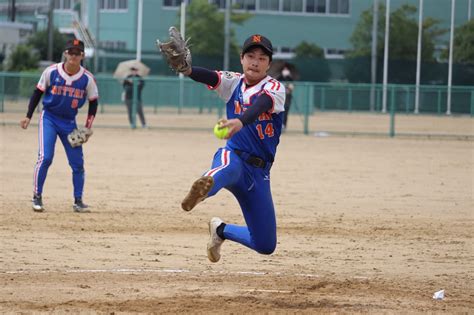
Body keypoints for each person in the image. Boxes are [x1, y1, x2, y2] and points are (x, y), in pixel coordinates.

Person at [178, 34, 286, 262]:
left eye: (261, 57)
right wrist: (187, 69)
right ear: (242, 59)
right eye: (250, 56)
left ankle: (220, 230)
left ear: (269, 63)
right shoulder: (233, 81)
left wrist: (241, 121)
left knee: (265, 244)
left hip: (259, 173)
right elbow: (209, 76)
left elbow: (261, 104)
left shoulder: (275, 88)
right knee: (226, 170)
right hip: (234, 156)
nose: (255, 62)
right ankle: (203, 189)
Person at [20, 39, 99, 213]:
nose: (73, 55)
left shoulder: (87, 79)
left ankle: (78, 201)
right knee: (46, 157)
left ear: (82, 56)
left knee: (77, 163)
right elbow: (37, 93)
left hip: (70, 123)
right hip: (49, 118)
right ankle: (37, 196)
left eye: (77, 53)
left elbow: (93, 102)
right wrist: (28, 116)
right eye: (70, 52)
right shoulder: (52, 72)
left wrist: (87, 126)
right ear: (65, 53)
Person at [277, 64, 294, 130]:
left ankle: (284, 125)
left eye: (287, 70)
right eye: (284, 69)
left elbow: (292, 87)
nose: (285, 71)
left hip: (287, 98)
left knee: (286, 111)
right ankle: (279, 125)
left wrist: (289, 88)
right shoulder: (279, 78)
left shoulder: (290, 78)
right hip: (280, 98)